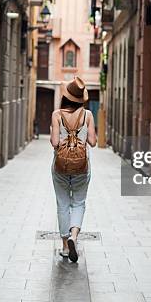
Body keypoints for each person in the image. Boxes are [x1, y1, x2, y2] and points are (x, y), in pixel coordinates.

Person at [50, 76, 97, 262]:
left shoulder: (57, 114)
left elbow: (54, 143)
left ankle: (64, 247)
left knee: (62, 203)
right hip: (82, 167)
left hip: (60, 166)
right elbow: (93, 142)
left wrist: (62, 139)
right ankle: (74, 236)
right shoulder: (88, 115)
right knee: (79, 202)